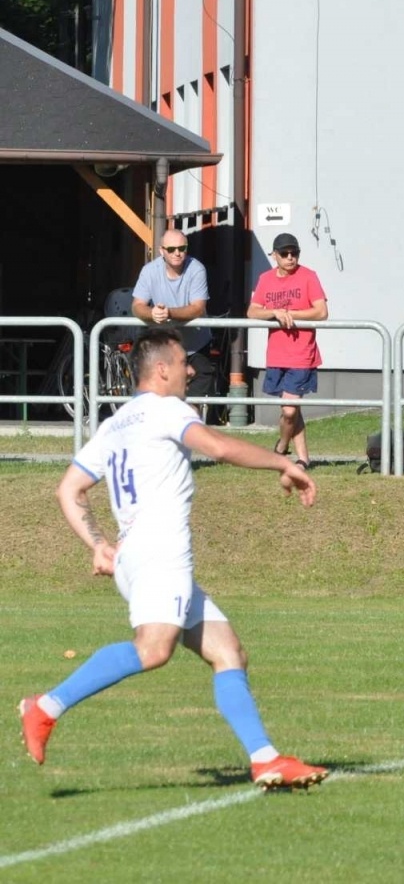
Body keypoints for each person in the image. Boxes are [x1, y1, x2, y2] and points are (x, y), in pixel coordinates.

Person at [17, 327, 328, 788]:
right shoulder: (167, 409)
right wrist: (285, 463)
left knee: (229, 653)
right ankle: (47, 707)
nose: (191, 369)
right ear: (162, 370)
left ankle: (265, 759)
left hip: (138, 555)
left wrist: (99, 545)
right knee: (153, 649)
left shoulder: (114, 423)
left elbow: (69, 489)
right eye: (184, 362)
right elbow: (219, 448)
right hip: (160, 554)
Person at [246, 233, 328, 468]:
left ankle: (281, 446)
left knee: (290, 410)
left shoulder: (308, 276)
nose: (290, 258)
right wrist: (274, 312)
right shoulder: (265, 279)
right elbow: (253, 311)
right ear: (275, 255)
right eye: (285, 254)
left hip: (302, 353)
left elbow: (321, 312)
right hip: (276, 355)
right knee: (291, 408)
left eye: (295, 253)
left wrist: (291, 314)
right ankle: (303, 459)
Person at [131, 229, 215, 402]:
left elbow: (198, 308)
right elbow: (137, 306)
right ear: (162, 251)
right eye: (171, 249)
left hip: (196, 346)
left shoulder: (197, 269)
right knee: (161, 403)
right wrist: (151, 313)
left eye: (182, 248)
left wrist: (168, 313)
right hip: (164, 349)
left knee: (194, 406)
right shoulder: (149, 271)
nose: (177, 253)